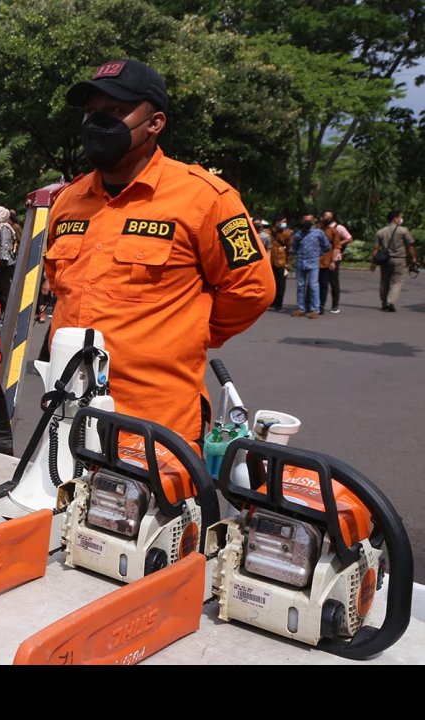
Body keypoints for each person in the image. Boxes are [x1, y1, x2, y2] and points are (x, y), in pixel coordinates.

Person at [43, 58, 274, 445]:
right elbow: (62, 287)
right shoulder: (69, 200)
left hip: (155, 422)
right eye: (91, 113)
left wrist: (186, 333)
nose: (98, 123)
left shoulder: (205, 197)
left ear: (155, 123)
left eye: (115, 111)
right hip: (67, 413)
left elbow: (252, 289)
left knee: (158, 508)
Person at [372, 209, 419, 312]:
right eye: (400, 217)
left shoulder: (380, 232)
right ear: (395, 219)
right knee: (396, 282)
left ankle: (384, 303)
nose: (401, 219)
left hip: (385, 261)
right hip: (399, 260)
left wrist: (373, 262)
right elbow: (410, 245)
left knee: (384, 281)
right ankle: (391, 302)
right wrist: (414, 258)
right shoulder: (403, 230)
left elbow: (375, 249)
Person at [290, 214, 329, 319]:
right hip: (301, 263)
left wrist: (318, 254)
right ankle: (301, 309)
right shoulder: (298, 234)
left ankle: (314, 310)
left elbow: (327, 246)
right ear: (302, 221)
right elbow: (294, 248)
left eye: (309, 220)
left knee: (313, 286)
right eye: (305, 220)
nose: (307, 222)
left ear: (313, 221)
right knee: (300, 286)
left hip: (313, 263)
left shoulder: (318, 233)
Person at [319, 210, 353, 314]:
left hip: (335, 257)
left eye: (330, 216)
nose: (327, 218)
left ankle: (335, 305)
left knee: (333, 282)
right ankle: (320, 304)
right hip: (322, 258)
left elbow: (349, 238)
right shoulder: (320, 228)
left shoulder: (338, 227)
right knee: (322, 282)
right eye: (326, 216)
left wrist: (338, 243)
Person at [268, 215, 292, 311]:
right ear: (277, 222)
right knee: (271, 283)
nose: (284, 224)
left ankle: (279, 303)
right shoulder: (268, 233)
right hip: (270, 262)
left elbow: (290, 249)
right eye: (283, 221)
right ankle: (272, 302)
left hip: (282, 262)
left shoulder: (287, 234)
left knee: (281, 284)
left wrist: (288, 263)